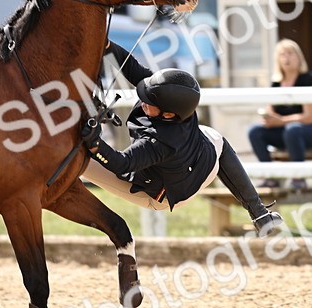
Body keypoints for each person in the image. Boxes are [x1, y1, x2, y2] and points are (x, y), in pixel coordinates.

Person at [80, 42, 285, 238]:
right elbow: (130, 66)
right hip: (201, 160)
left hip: (160, 195)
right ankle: (259, 213)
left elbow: (122, 163)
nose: (143, 100)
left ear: (168, 115)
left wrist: (95, 142)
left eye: (149, 101)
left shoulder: (159, 142)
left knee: (80, 160)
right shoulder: (174, 101)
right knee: (217, 140)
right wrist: (107, 45)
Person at [247, 39, 312, 188]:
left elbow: (309, 118)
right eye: (282, 54)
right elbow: (270, 110)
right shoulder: (276, 83)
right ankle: (270, 176)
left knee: (293, 130)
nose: (286, 58)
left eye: (290, 53)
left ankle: (298, 177)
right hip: (286, 132)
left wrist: (280, 121)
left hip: (311, 133)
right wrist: (269, 119)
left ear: (299, 57)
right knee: (255, 131)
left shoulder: (309, 80)